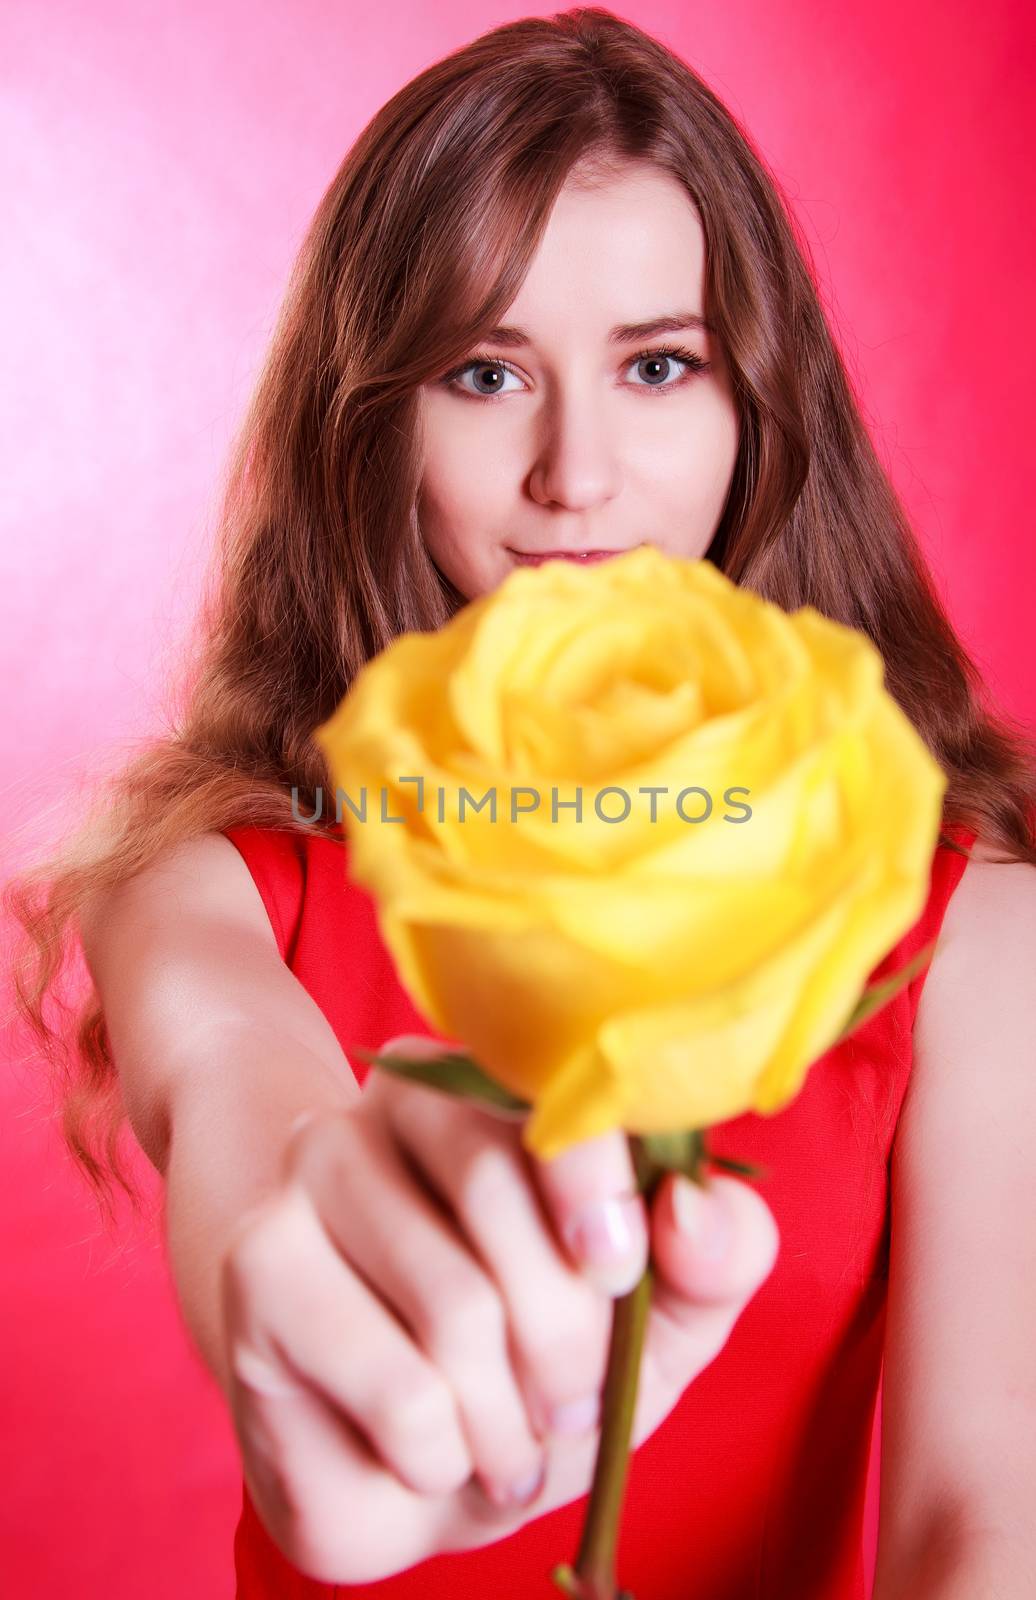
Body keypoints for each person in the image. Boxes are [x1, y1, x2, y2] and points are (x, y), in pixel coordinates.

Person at [7, 7, 1036, 1598]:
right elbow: (240, 1098)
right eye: (486, 373)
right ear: (371, 428)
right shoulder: (212, 888)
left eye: (657, 364)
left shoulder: (966, 927)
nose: (578, 472)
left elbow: (987, 1521)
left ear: (760, 412)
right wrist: (327, 1281)